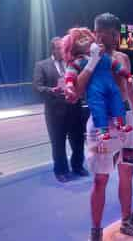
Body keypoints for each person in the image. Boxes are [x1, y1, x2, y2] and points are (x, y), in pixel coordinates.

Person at [65, 13, 133, 241]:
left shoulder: (123, 58)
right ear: (99, 33)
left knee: (127, 173)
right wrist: (92, 61)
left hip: (126, 122)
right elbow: (77, 92)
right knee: (100, 179)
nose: (115, 38)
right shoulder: (85, 59)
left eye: (115, 34)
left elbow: (130, 90)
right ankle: (96, 232)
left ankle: (127, 222)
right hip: (102, 125)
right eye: (111, 34)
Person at [32, 37, 88, 183]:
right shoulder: (42, 65)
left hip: (75, 109)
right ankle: (61, 170)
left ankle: (78, 166)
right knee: (58, 142)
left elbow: (81, 82)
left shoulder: (73, 63)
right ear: (53, 49)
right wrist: (52, 90)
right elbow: (37, 87)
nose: (65, 51)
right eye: (61, 48)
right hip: (55, 111)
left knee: (78, 140)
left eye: (65, 48)